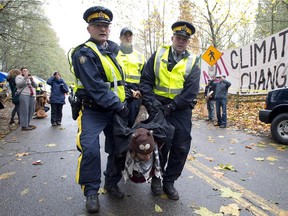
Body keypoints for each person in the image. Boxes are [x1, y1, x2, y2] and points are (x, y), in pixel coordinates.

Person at [68, 6, 129, 213]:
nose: (102, 29)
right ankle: (91, 192)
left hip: (114, 111)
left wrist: (129, 95)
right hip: (93, 110)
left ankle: (111, 183)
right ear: (89, 29)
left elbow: (117, 82)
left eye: (105, 26)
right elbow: (95, 86)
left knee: (118, 148)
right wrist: (119, 106)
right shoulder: (83, 53)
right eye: (97, 25)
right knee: (90, 150)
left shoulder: (111, 51)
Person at [139, 21, 201, 200]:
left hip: (180, 108)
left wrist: (172, 106)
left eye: (185, 39)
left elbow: (191, 91)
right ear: (172, 38)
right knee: (160, 145)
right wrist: (152, 104)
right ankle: (156, 179)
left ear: (188, 42)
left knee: (181, 146)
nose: (181, 41)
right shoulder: (158, 54)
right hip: (157, 106)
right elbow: (146, 81)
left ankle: (169, 181)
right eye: (178, 38)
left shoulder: (193, 61)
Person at [117, 27, 145, 127]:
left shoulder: (140, 56)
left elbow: (145, 77)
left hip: (135, 93)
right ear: (120, 38)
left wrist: (140, 91)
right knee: (119, 124)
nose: (128, 38)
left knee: (132, 123)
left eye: (130, 36)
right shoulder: (114, 54)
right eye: (125, 36)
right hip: (120, 90)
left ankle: (130, 141)